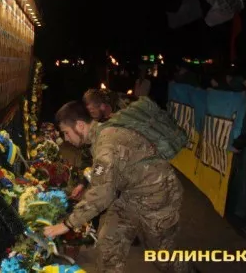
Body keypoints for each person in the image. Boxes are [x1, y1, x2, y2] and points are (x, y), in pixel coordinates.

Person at [44, 101, 194, 273]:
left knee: (164, 257)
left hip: (158, 195)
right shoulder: (103, 134)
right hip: (131, 194)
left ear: (80, 125)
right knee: (108, 244)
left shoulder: (106, 144)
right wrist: (85, 186)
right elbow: (107, 176)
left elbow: (102, 193)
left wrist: (67, 224)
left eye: (66, 132)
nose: (66, 138)